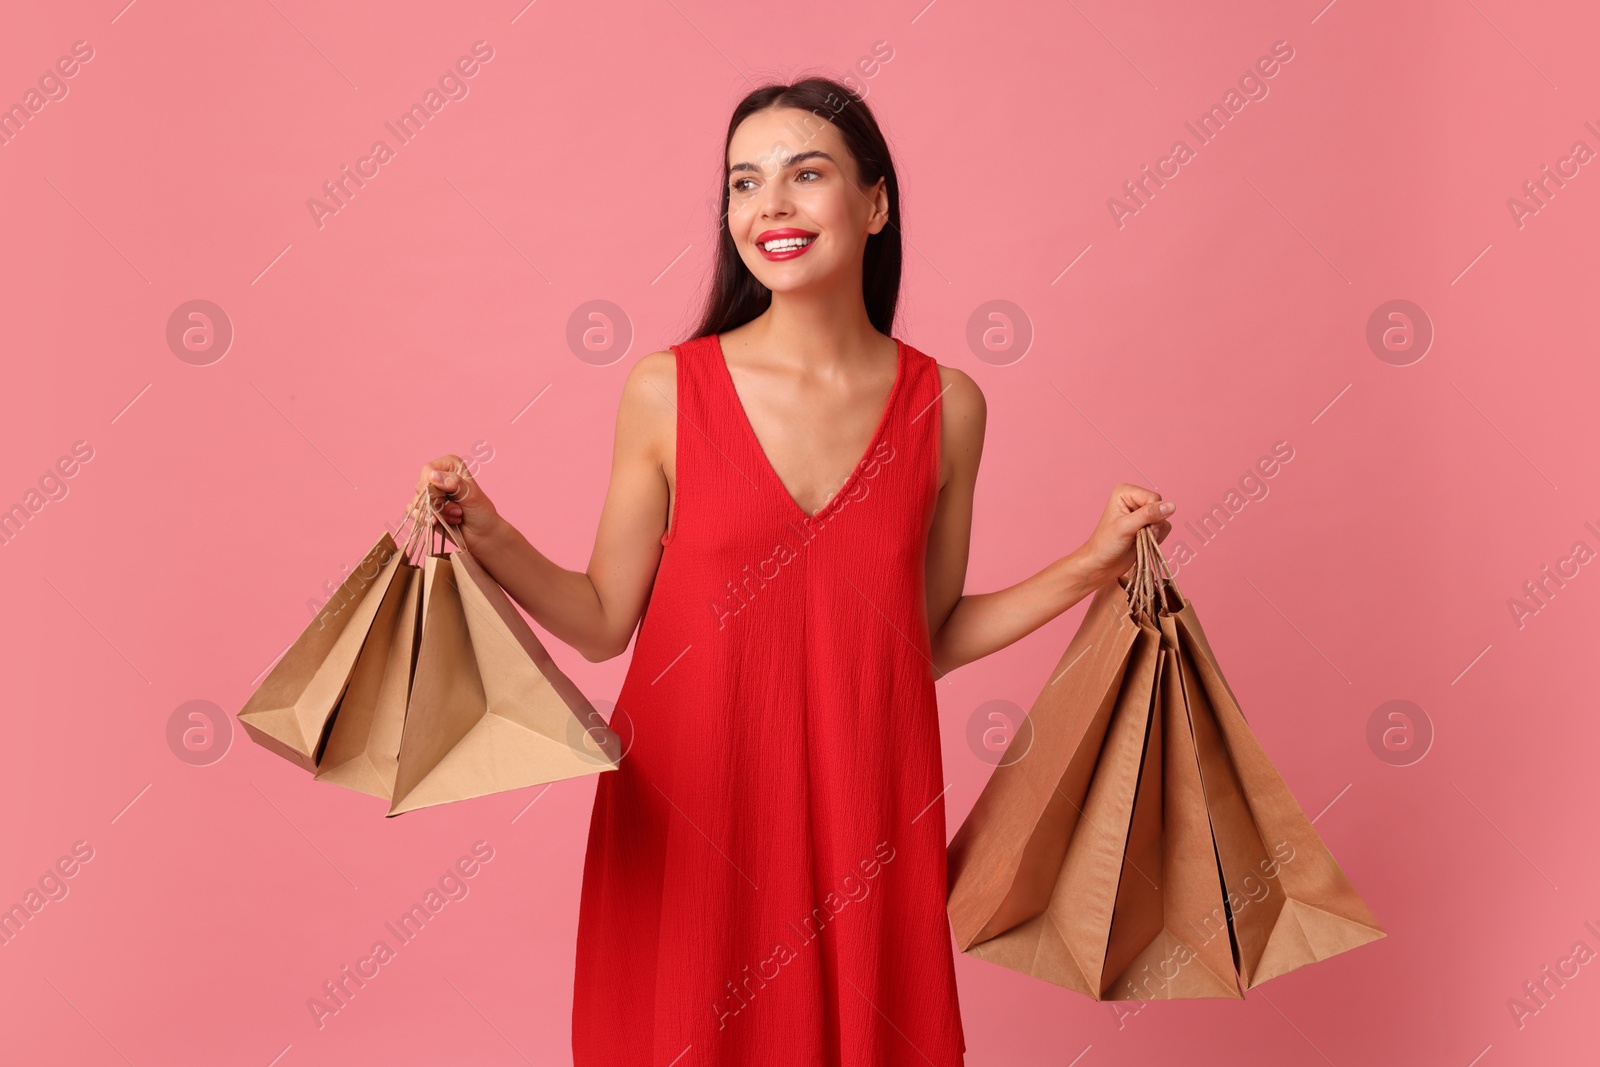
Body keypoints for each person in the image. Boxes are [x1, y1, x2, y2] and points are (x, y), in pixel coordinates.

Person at [415, 75, 1174, 1066]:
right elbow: (603, 619)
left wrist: (1089, 565)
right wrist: (489, 533)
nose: (767, 205)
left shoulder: (946, 404)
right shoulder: (666, 389)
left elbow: (927, 636)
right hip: (693, 800)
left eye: (803, 174)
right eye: (742, 182)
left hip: (866, 803)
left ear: (875, 202)